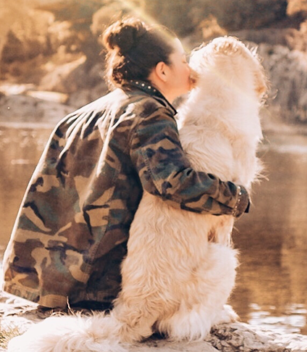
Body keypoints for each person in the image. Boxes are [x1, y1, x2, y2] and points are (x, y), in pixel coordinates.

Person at [2, 18, 250, 311]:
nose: (191, 70)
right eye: (183, 61)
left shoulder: (83, 113)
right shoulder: (150, 112)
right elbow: (170, 181)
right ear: (162, 70)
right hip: (95, 288)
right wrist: (235, 197)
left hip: (42, 283)